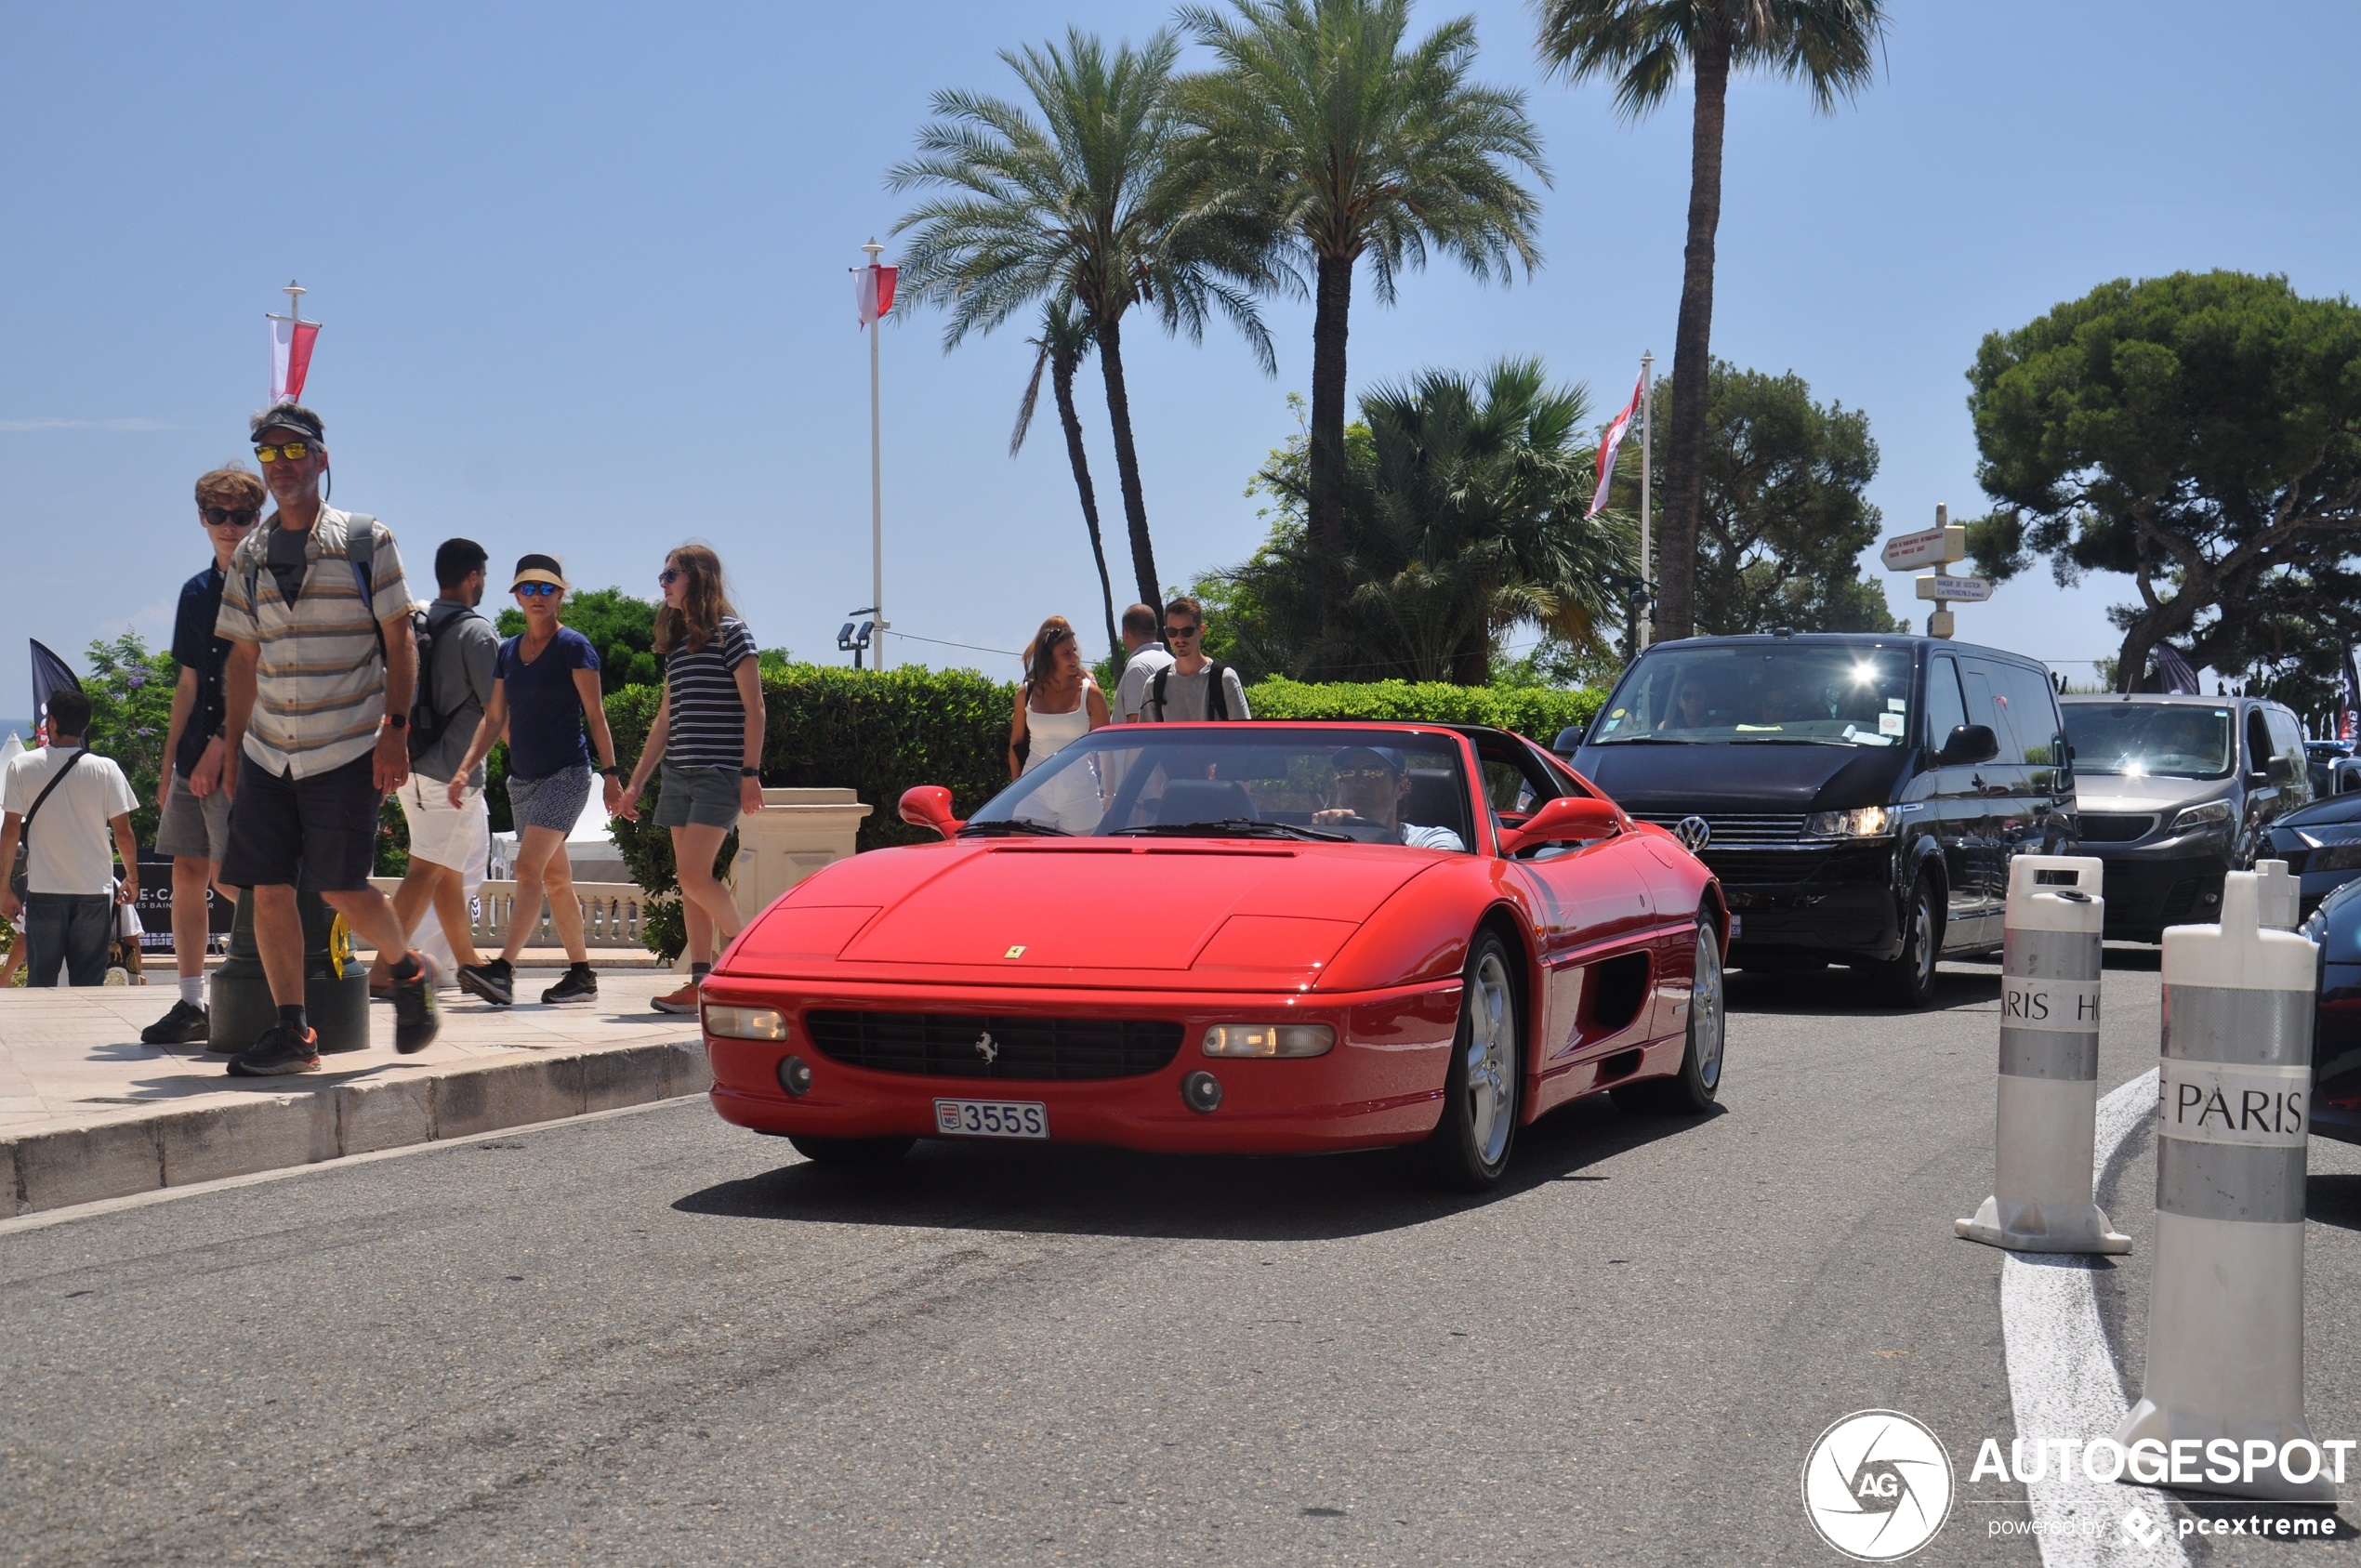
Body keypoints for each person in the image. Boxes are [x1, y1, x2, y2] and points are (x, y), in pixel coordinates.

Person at [213, 402, 440, 1074]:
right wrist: (230, 746)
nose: (281, 466)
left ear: (322, 458)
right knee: (268, 888)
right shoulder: (250, 555)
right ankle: (293, 1033)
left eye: (294, 452)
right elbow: (243, 659)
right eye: (270, 455)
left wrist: (395, 731)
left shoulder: (367, 540)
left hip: (344, 743)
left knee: (342, 888)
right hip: (265, 749)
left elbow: (400, 641)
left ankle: (407, 971)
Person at [446, 555, 624, 1005]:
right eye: (529, 589)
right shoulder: (507, 651)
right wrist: (467, 766)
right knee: (556, 879)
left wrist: (611, 776)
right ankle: (582, 975)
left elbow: (596, 715)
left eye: (547, 589)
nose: (538, 597)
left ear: (561, 594)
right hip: (522, 781)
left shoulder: (574, 647)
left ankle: (503, 970)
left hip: (567, 774)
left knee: (527, 868)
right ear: (516, 595)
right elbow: (494, 718)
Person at [140, 467, 262, 1042]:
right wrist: (170, 765)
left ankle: (310, 950)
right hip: (194, 755)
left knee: (231, 875)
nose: (229, 526)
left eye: (240, 515)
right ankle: (191, 1003)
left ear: (256, 519)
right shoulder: (194, 591)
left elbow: (264, 672)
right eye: (218, 515)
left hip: (245, 750)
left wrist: (223, 745)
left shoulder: (267, 582)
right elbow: (188, 683)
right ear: (202, 518)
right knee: (188, 872)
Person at [617, 545, 764, 1015]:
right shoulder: (678, 644)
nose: (662, 583)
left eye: (670, 575)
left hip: (719, 773)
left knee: (693, 875)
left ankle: (748, 957)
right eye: (662, 576)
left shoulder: (733, 634)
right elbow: (665, 719)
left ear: (698, 578)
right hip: (678, 773)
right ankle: (702, 983)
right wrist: (636, 782)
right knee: (692, 884)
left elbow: (755, 709)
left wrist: (750, 774)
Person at [372, 538, 502, 1000]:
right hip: (452, 773)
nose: (483, 584)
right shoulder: (478, 633)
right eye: (483, 576)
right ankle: (384, 971)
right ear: (472, 576)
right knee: (426, 869)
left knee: (445, 868)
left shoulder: (417, 624)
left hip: (411, 763)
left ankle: (469, 963)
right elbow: (496, 709)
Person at [0, 688, 140, 985]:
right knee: (89, 981)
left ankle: (46, 1032)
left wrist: (3, 889)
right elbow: (123, 834)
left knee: (42, 981)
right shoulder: (107, 769)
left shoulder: (22, 766)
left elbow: (10, 829)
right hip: (95, 892)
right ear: (86, 726)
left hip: (44, 892)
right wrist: (132, 879)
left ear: (49, 722)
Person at [1009, 616, 1111, 831]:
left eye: (1075, 651)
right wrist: (1015, 792)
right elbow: (1015, 743)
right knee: (1022, 857)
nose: (1075, 657)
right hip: (1033, 790)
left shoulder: (1090, 694)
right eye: (1066, 653)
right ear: (1048, 659)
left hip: (1080, 792)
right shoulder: (1026, 694)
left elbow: (1107, 750)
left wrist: (1110, 795)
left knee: (1083, 863)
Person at [1311, 745, 1464, 850]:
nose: (1357, 785)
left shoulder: (1429, 841)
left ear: (1401, 788)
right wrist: (1322, 837)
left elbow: (1443, 869)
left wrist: (1366, 835)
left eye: (1373, 774)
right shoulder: (1322, 837)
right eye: (1347, 773)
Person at [1141, 597, 1249, 722]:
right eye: (1173, 631)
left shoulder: (1224, 679)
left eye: (1187, 631)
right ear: (1166, 633)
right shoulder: (1154, 685)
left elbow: (1244, 736)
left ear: (1201, 630)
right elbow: (1146, 739)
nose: (1180, 638)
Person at [1113, 603, 1173, 723]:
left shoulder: (1138, 667)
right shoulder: (1172, 661)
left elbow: (1135, 722)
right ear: (1156, 628)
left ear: (1126, 632)